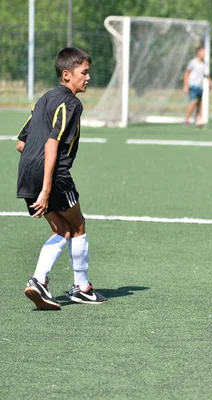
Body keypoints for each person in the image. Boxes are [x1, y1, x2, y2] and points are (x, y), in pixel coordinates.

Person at [16, 47, 107, 310]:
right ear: (67, 75)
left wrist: (36, 176)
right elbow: (52, 144)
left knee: (61, 229)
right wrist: (46, 189)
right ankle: (82, 288)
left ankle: (38, 281)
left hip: (26, 172)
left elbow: (22, 142)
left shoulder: (44, 99)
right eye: (84, 72)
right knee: (77, 226)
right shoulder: (72, 103)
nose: (88, 77)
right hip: (53, 175)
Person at [183, 46, 212, 127]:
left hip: (200, 86)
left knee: (199, 104)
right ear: (198, 53)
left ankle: (198, 120)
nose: (204, 53)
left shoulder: (204, 63)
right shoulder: (193, 62)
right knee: (193, 102)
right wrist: (185, 85)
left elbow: (205, 75)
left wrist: (211, 84)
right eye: (203, 52)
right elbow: (187, 73)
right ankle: (187, 119)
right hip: (193, 85)